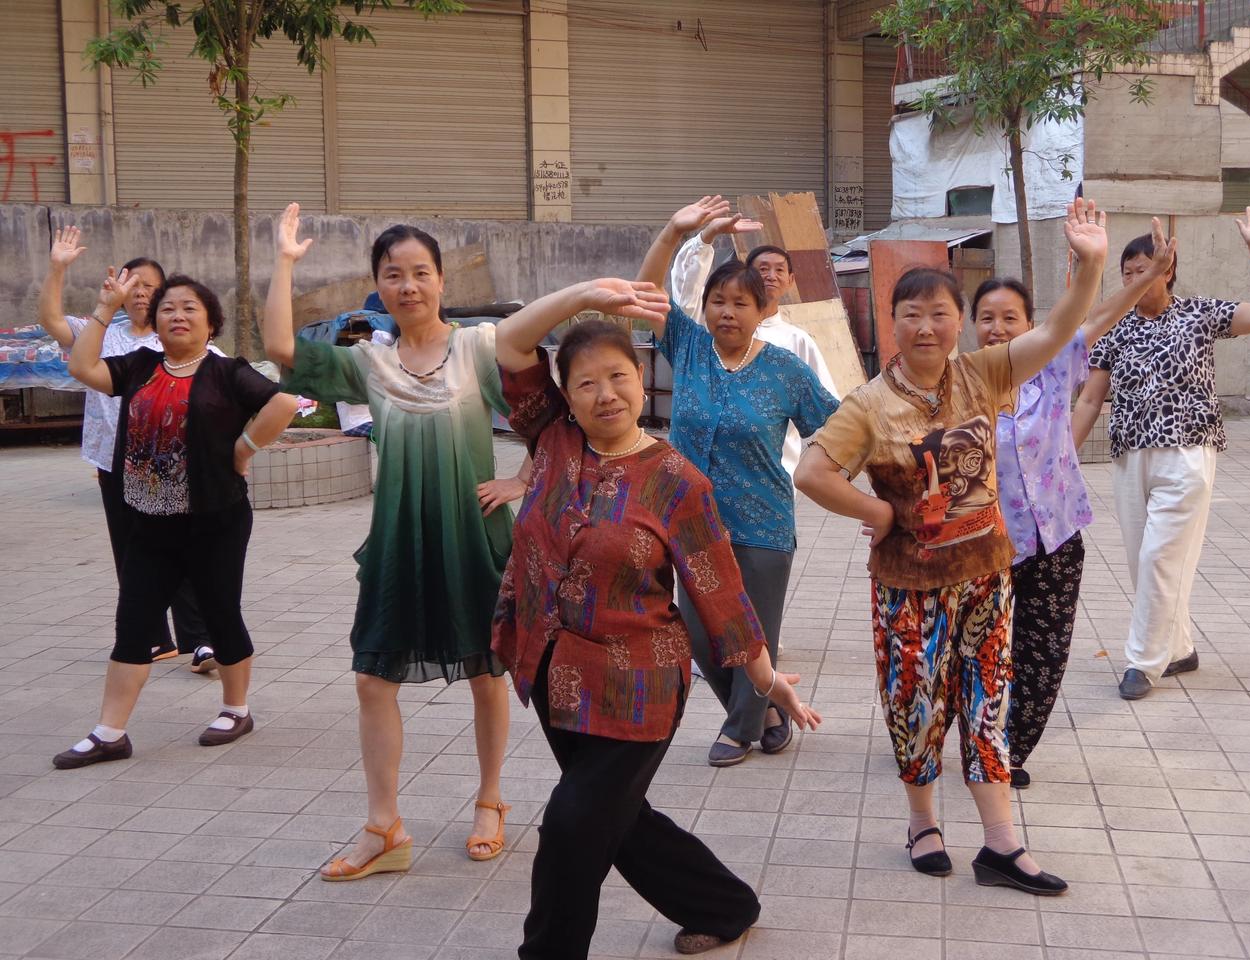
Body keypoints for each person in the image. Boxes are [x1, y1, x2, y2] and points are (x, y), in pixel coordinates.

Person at [492, 278, 821, 959]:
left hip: (638, 687)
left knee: (572, 827)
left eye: (618, 376)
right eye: (585, 384)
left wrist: (766, 683)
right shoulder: (551, 440)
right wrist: (585, 296)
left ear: (644, 381)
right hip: (556, 676)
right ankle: (724, 905)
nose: (605, 393)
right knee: (618, 821)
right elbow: (510, 340)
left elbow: (722, 594)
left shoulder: (675, 480)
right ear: (567, 398)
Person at [795, 197, 1110, 896]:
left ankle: (1000, 844)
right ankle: (922, 823)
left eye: (941, 313)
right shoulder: (870, 404)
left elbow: (1059, 330)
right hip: (909, 591)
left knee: (989, 701)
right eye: (914, 314)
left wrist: (1089, 265)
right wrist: (877, 510)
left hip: (986, 577)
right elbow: (812, 472)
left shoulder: (984, 375)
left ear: (957, 322)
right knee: (917, 706)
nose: (929, 326)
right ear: (894, 325)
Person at [262, 203, 528, 879]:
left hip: (471, 537)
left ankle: (491, 800)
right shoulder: (367, 365)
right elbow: (282, 352)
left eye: (420, 273)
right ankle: (384, 826)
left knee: (485, 673)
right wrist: (285, 262)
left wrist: (521, 481)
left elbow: (549, 417)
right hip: (396, 543)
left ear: (441, 280)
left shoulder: (478, 346)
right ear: (377, 286)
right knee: (372, 678)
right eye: (392, 275)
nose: (408, 285)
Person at [53, 269, 297, 769]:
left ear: (211, 323)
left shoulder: (226, 373)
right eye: (168, 309)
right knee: (134, 622)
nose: (177, 315)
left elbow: (284, 402)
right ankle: (110, 732)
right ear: (155, 322)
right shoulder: (140, 364)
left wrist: (244, 449)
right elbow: (83, 368)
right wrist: (105, 307)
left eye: (190, 308)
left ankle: (236, 709)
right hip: (147, 520)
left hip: (215, 520)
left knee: (219, 612)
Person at [971, 218, 1176, 788]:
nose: (997, 327)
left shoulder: (1054, 369)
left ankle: (1009, 752)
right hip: (985, 547)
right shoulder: (960, 386)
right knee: (983, 651)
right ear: (972, 327)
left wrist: (1139, 276)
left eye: (1010, 317)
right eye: (986, 318)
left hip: (1057, 539)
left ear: (1030, 324)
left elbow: (1094, 318)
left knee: (1042, 656)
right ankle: (970, 736)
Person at [637, 197, 839, 767]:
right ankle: (770, 707)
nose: (727, 311)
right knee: (701, 636)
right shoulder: (690, 348)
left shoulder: (784, 368)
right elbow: (647, 292)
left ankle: (740, 729)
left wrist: (846, 485)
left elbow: (836, 426)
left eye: (741, 303)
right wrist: (677, 231)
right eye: (718, 301)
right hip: (691, 521)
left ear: (763, 308)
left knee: (752, 634)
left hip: (764, 522)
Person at [1073, 205, 1250, 700]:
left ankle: (1143, 662)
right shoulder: (1115, 329)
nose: (1135, 279)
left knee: (1161, 557)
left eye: (1144, 269)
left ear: (1168, 268)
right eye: (1127, 273)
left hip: (1187, 453)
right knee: (1143, 561)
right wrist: (1058, 460)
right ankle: (1180, 647)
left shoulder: (1199, 314)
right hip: (1129, 456)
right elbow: (1088, 398)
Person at [37, 227, 218, 672]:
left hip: (170, 462)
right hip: (113, 459)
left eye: (151, 287)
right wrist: (58, 269)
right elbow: (53, 323)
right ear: (116, 287)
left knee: (177, 547)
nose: (141, 294)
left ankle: (198, 639)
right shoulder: (101, 332)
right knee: (131, 550)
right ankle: (153, 638)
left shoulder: (174, 337)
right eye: (132, 284)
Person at [669, 216, 839, 475]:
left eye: (779, 270)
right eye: (762, 269)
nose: (770, 276)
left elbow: (830, 415)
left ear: (791, 280)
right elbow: (685, 292)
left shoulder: (797, 342)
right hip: (695, 482)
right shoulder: (708, 330)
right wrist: (706, 237)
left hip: (768, 479)